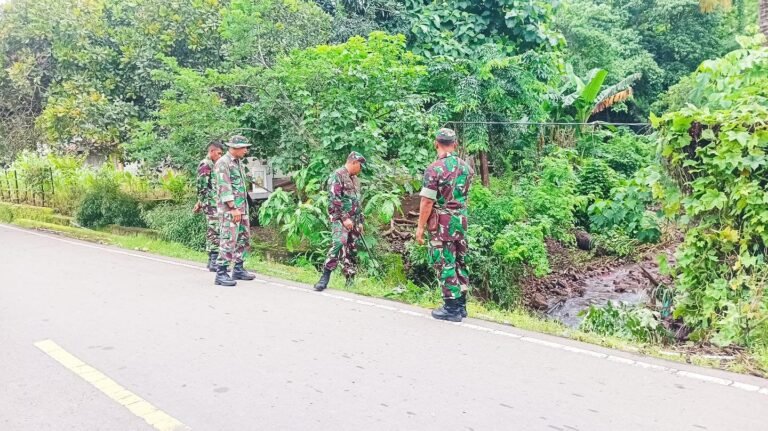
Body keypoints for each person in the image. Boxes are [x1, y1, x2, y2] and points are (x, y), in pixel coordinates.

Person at [415, 128, 474, 322]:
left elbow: (427, 202)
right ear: (455, 144)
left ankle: (451, 307)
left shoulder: (434, 169)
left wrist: (420, 227)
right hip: (461, 222)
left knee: (444, 261)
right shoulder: (466, 168)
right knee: (459, 261)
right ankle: (461, 305)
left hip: (443, 224)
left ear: (436, 143)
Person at [314, 151, 367, 291]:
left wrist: (360, 221)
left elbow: (357, 202)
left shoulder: (355, 180)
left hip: (354, 220)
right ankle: (324, 277)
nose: (361, 169)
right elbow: (334, 199)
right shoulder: (337, 175)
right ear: (354, 162)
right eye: (360, 166)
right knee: (339, 243)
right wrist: (344, 218)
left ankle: (350, 279)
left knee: (352, 249)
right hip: (340, 219)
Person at [213, 135, 256, 287]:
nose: (246, 150)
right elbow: (224, 187)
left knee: (243, 237)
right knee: (229, 239)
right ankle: (221, 272)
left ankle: (238, 268)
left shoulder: (237, 162)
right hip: (230, 210)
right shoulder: (223, 163)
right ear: (235, 148)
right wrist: (233, 208)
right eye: (244, 147)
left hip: (241, 208)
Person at [194, 141, 225, 272]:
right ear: (211, 151)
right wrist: (202, 203)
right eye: (218, 153)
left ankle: (212, 260)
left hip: (213, 202)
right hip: (210, 203)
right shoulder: (205, 164)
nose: (220, 156)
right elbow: (201, 187)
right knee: (214, 230)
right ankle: (213, 260)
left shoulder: (213, 164)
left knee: (215, 229)